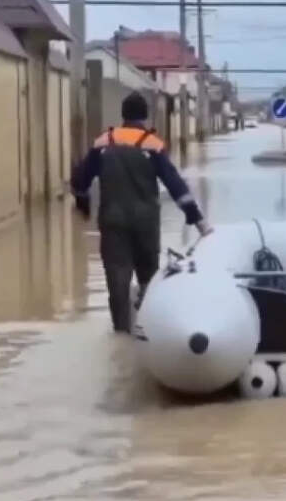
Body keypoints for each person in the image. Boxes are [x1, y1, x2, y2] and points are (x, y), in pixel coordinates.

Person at [72, 91, 212, 333]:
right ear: (145, 116)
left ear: (123, 115)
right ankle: (148, 330)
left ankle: (120, 332)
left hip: (113, 223)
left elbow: (79, 181)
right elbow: (175, 185)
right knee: (148, 277)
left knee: (117, 280)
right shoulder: (152, 144)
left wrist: (83, 203)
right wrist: (197, 219)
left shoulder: (104, 142)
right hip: (146, 225)